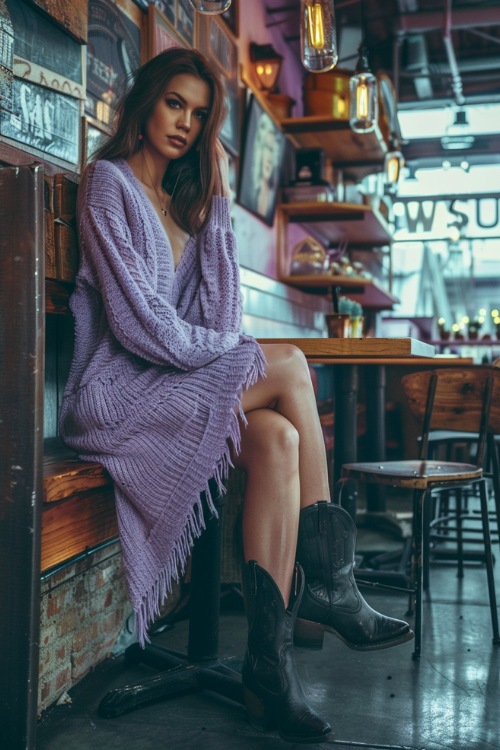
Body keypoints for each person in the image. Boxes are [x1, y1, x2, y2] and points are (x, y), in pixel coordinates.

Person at [59, 48, 413, 744]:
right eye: (174, 104)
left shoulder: (191, 205)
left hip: (169, 384)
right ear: (144, 101)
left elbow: (220, 325)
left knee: (279, 439)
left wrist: (217, 208)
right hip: (115, 394)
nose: (185, 124)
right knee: (290, 367)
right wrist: (232, 353)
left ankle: (268, 672)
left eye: (199, 114)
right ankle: (334, 584)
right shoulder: (107, 185)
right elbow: (138, 328)